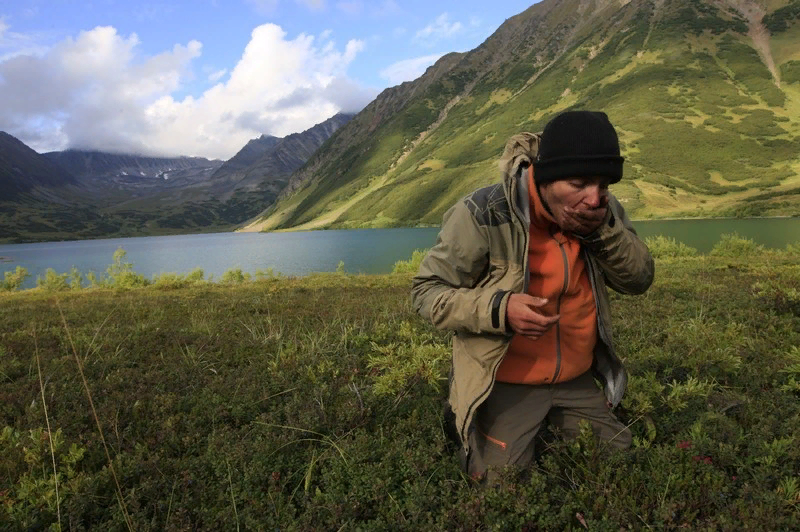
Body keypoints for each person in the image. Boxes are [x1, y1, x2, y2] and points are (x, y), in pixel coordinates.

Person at [411, 110, 655, 483]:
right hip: (506, 379)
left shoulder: (602, 211)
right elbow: (426, 293)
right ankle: (466, 414)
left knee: (621, 466)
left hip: (575, 377)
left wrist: (599, 231)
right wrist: (500, 309)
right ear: (544, 176)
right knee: (500, 485)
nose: (595, 198)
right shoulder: (483, 213)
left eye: (604, 184)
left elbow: (638, 279)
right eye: (580, 183)